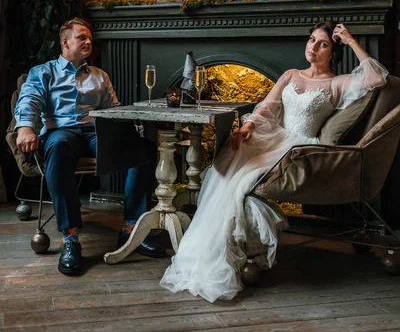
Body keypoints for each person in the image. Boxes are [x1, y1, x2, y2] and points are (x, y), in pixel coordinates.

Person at [160, 21, 388, 303]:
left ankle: (236, 248)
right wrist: (249, 126)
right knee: (231, 163)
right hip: (272, 138)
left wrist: (351, 40)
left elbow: (377, 78)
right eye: (311, 39)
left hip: (299, 146)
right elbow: (267, 106)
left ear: (333, 52)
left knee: (245, 178)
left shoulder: (337, 84)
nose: (313, 47)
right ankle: (209, 250)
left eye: (323, 44)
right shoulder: (291, 74)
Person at [14, 17, 165, 276]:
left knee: (145, 150)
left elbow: (113, 110)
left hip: (96, 132)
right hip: (60, 132)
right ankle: (71, 238)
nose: (88, 42)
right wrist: (25, 127)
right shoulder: (43, 72)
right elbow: (29, 100)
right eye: (82, 37)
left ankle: (131, 230)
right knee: (59, 146)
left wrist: (127, 130)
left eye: (89, 39)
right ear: (65, 42)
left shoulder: (99, 75)